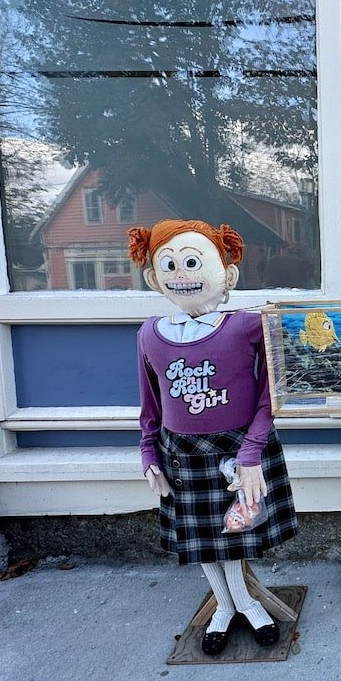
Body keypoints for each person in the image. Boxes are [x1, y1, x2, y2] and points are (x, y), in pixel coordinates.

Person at [128, 218, 298, 654]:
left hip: (236, 450)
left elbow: (271, 392)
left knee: (234, 533)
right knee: (202, 538)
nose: (181, 275)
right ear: (153, 277)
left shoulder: (246, 326)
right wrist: (148, 454)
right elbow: (151, 403)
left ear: (228, 274)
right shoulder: (150, 334)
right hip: (180, 455)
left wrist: (253, 450)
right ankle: (226, 606)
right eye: (169, 266)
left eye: (192, 262)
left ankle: (245, 605)